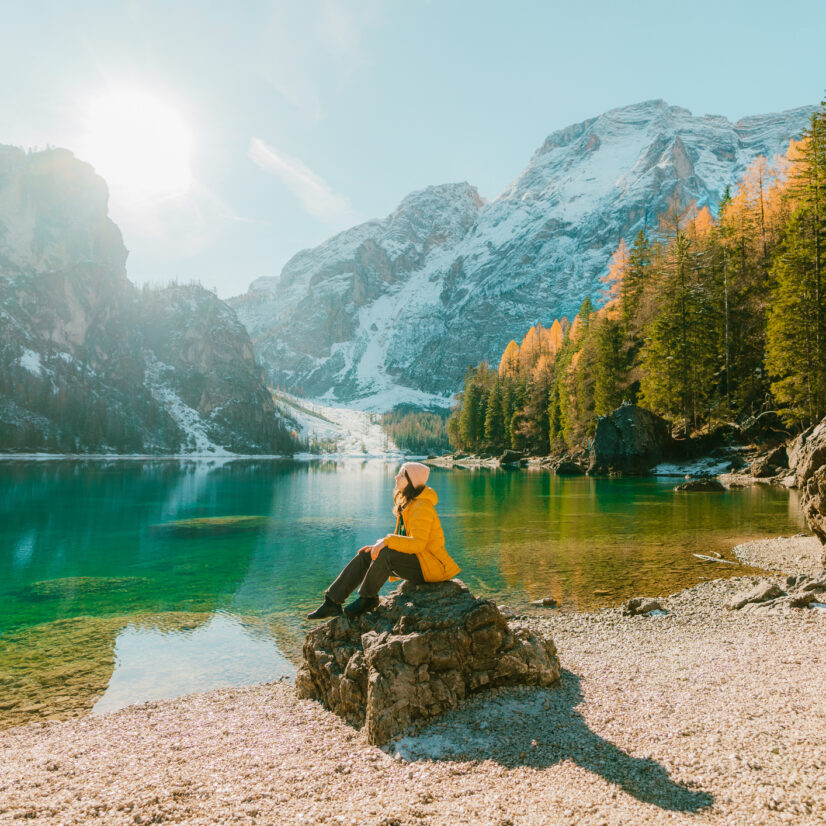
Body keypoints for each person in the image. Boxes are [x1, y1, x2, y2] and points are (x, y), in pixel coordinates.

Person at [307, 461, 461, 619]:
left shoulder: (421, 506)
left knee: (385, 553)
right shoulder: (409, 503)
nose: (396, 477)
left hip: (432, 566)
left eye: (401, 475)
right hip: (419, 562)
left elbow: (417, 544)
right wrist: (379, 545)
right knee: (368, 554)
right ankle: (332, 602)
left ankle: (368, 599)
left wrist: (386, 542)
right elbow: (404, 540)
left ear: (412, 481)